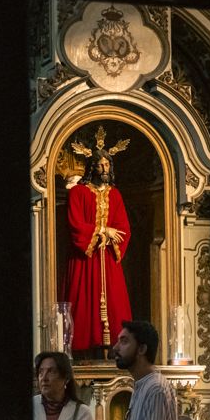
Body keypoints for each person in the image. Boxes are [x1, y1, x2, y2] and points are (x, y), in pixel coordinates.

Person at [64, 125, 135, 353]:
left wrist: (112, 236)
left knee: (114, 303)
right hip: (85, 259)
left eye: (107, 165)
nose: (104, 168)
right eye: (100, 165)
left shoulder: (115, 194)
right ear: (92, 167)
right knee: (84, 302)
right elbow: (75, 224)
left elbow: (123, 228)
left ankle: (116, 349)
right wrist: (103, 231)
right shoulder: (78, 193)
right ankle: (83, 349)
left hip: (107, 257)